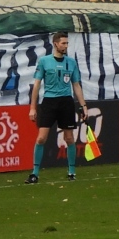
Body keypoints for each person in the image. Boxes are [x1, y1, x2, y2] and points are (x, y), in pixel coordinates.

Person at [26, 30, 86, 184]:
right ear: (55, 44)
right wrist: (32, 108)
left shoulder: (71, 62)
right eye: (63, 43)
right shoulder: (44, 61)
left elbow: (76, 85)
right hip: (49, 102)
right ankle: (35, 173)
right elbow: (37, 85)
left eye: (67, 43)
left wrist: (83, 105)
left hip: (66, 102)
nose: (65, 46)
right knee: (41, 138)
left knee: (69, 138)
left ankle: (72, 172)